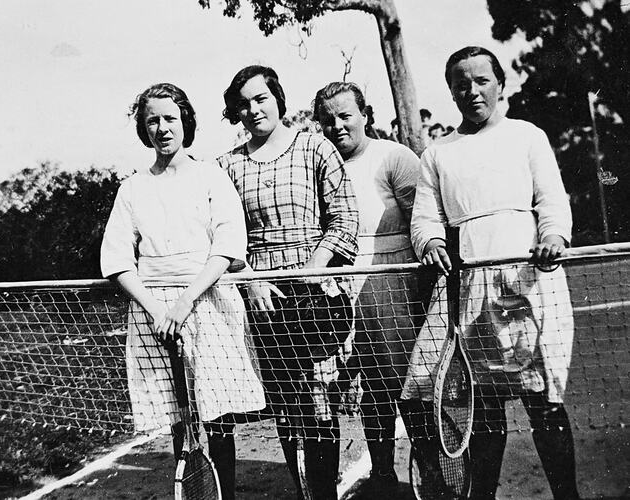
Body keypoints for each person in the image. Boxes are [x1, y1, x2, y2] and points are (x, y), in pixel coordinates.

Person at [401, 46, 580, 499]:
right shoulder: (437, 153)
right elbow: (424, 219)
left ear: (500, 84)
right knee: (485, 409)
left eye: (481, 80)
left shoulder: (528, 135)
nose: (471, 90)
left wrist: (553, 238)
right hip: (471, 289)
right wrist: (433, 242)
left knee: (544, 403)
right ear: (451, 92)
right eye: (461, 84)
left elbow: (553, 204)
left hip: (529, 283)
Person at [100, 82, 265, 500]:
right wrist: (158, 309)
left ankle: (224, 492)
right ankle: (194, 492)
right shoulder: (133, 188)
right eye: (152, 120)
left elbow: (229, 245)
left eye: (170, 118)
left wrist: (186, 300)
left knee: (217, 414)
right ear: (144, 129)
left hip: (207, 303)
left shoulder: (211, 175)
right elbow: (117, 259)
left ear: (185, 122)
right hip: (154, 313)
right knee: (180, 417)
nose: (162, 128)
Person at [217, 65, 359, 500]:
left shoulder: (314, 146)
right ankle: (303, 491)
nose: (253, 109)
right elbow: (222, 233)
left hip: (314, 293)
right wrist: (250, 279)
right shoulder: (229, 165)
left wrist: (313, 270)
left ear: (277, 98)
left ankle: (324, 494)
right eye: (243, 103)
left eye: (261, 98)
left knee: (318, 403)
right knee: (286, 405)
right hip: (261, 296)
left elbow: (345, 216)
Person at [313, 81, 427, 493]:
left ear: (366, 114)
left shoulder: (395, 157)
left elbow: (423, 220)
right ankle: (383, 474)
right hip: (342, 282)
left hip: (394, 278)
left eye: (345, 115)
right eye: (328, 120)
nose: (337, 125)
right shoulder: (320, 163)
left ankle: (429, 470)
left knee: (410, 385)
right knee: (370, 387)